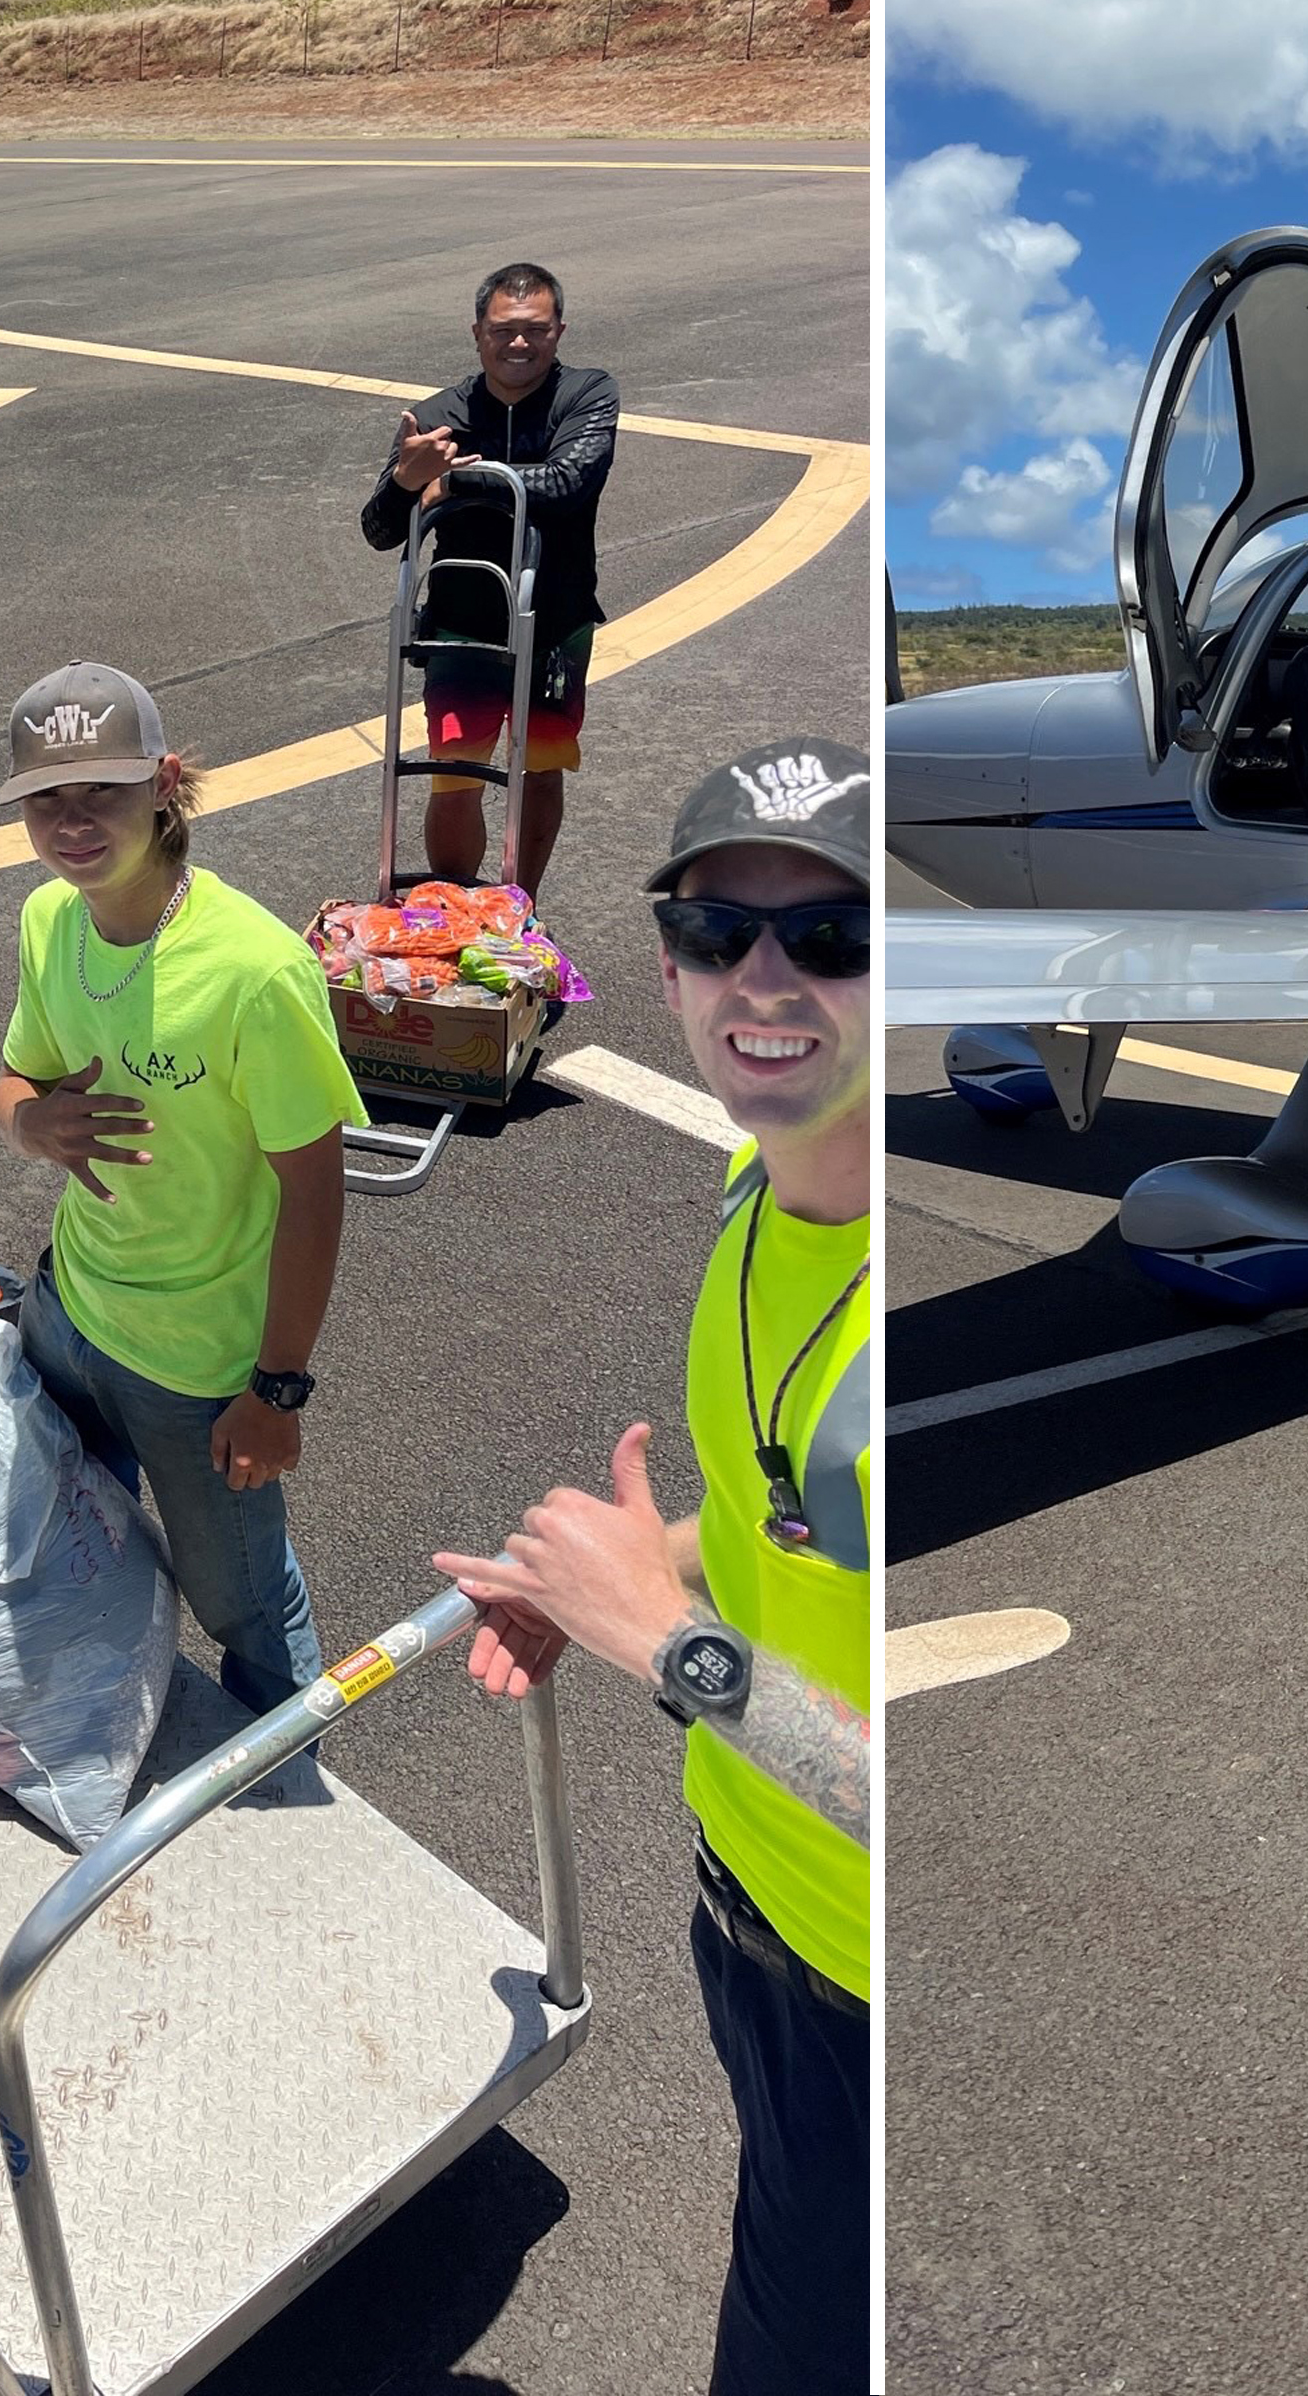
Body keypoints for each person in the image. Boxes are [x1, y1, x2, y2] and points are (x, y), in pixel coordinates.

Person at [436, 736, 870, 2396]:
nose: (763, 978)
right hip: (745, 1900)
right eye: (712, 929)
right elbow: (777, 1514)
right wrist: (620, 1575)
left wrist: (662, 1640)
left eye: (831, 936)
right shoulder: (760, 1188)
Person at [0, 664, 356, 1724]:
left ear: (163, 784)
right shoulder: (50, 921)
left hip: (197, 1368)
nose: (72, 824)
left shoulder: (256, 972)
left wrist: (276, 1390)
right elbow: (17, 1079)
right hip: (69, 1313)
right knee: (75, 1544)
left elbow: (315, 1195)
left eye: (99, 793)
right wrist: (31, 1125)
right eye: (46, 800)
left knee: (243, 1602)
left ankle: (283, 1775)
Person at [363, 263, 622, 898]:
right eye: (504, 330)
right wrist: (407, 479)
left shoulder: (586, 395)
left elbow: (567, 482)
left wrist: (455, 480)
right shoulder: (437, 415)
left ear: (559, 331)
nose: (519, 343)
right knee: (454, 774)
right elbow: (378, 527)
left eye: (536, 329)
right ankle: (457, 907)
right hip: (461, 625)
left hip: (554, 619)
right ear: (478, 332)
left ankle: (518, 908)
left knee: (539, 769)